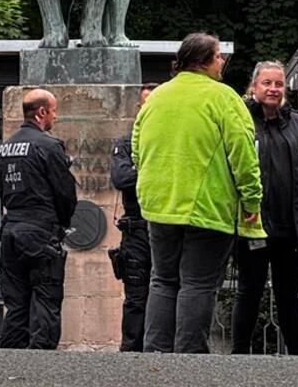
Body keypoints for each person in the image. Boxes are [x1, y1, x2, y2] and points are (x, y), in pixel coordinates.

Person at [133, 32, 262, 353]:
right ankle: (189, 355)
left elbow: (137, 147)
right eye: (219, 56)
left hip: (159, 204)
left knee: (162, 280)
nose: (222, 62)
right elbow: (243, 153)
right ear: (205, 61)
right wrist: (251, 199)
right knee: (198, 283)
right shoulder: (223, 97)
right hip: (207, 205)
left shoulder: (158, 97)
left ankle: (156, 352)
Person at [234, 61, 298, 355]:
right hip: (252, 223)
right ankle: (238, 356)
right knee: (249, 290)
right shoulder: (240, 124)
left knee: (289, 294)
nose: (274, 89)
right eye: (267, 83)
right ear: (254, 87)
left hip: (293, 225)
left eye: (278, 83)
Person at [0, 88, 76, 349]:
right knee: (46, 298)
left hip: (11, 231)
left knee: (16, 304)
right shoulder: (48, 146)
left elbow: (1, 191)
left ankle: (10, 361)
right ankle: (41, 365)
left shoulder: (6, 147)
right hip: (40, 231)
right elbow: (65, 194)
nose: (55, 117)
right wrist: (62, 224)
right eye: (53, 111)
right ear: (42, 112)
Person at [108, 84, 156, 352]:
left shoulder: (170, 143)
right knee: (136, 297)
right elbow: (121, 178)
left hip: (166, 227)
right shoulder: (126, 143)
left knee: (167, 293)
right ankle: (130, 354)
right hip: (136, 228)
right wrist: (155, 171)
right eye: (145, 103)